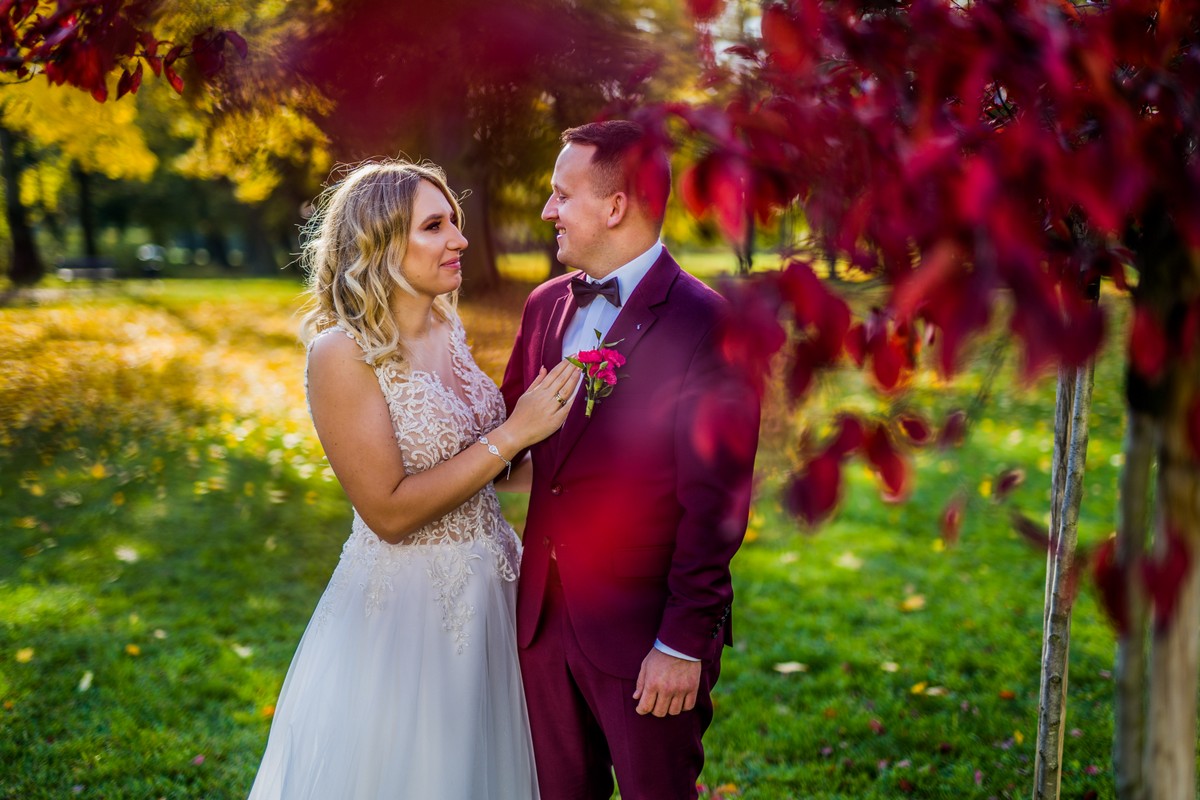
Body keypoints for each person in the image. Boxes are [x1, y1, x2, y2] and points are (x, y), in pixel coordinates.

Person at [247, 159, 578, 800]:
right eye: (434, 226)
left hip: (497, 589)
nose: (460, 239)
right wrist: (515, 432)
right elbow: (389, 513)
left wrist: (599, 464)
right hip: (409, 613)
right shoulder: (340, 353)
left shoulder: (446, 327)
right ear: (379, 244)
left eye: (453, 221)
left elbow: (485, 469)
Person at [500, 121, 761, 799]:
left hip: (644, 633)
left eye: (562, 195)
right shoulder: (544, 306)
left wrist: (681, 645)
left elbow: (717, 506)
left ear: (615, 207)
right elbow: (509, 435)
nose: (548, 210)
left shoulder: (709, 326)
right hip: (543, 622)